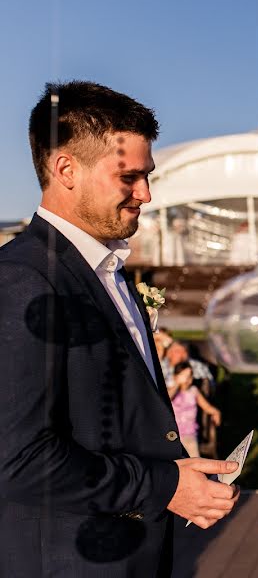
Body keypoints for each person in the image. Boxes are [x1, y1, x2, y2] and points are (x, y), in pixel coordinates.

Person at [0, 81, 239, 576]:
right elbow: (19, 459)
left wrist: (180, 473)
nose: (146, 195)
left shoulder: (108, 269)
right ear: (66, 169)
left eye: (147, 176)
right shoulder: (23, 280)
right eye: (129, 177)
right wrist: (165, 486)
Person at [168, 362, 221, 458]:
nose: (188, 380)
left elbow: (206, 407)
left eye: (190, 376)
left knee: (194, 459)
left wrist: (215, 412)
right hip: (174, 435)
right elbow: (166, 399)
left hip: (190, 434)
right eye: (184, 376)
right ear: (175, 377)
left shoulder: (193, 391)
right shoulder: (172, 391)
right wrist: (177, 383)